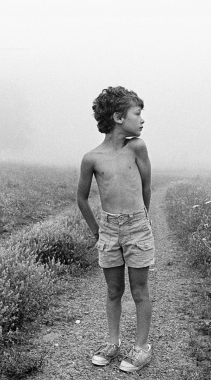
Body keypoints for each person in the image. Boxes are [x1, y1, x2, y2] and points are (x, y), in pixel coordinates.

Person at [77, 86, 155, 373]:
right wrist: (98, 231)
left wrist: (143, 220)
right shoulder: (92, 158)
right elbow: (81, 198)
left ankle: (142, 347)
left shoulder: (137, 147)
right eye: (138, 113)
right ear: (119, 117)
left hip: (136, 225)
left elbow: (146, 186)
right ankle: (113, 342)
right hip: (108, 229)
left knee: (139, 289)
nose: (142, 119)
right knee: (113, 290)